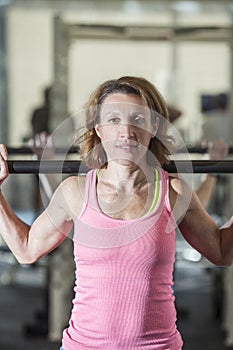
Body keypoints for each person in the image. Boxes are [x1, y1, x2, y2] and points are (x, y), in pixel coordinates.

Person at [1, 76, 233, 350]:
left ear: (153, 127)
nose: (126, 131)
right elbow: (26, 250)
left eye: (137, 118)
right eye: (113, 120)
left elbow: (222, 252)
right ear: (98, 129)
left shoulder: (174, 192)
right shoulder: (74, 192)